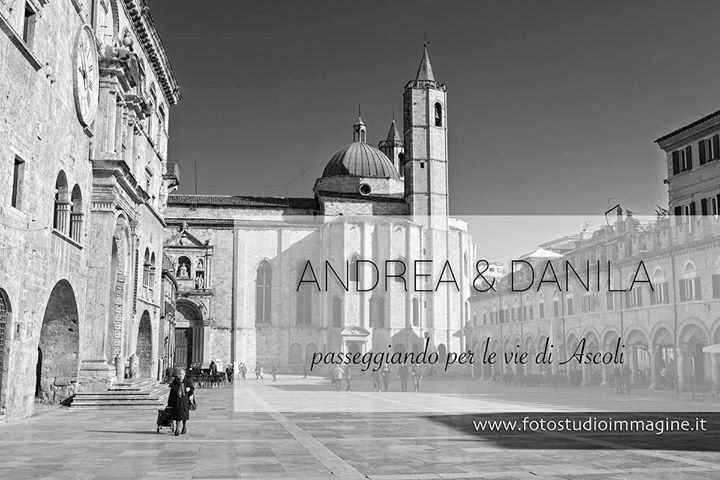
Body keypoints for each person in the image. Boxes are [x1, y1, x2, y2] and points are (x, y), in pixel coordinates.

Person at [167, 369, 195, 436]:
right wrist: (169, 403)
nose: (181, 376)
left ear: (184, 375)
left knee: (184, 415)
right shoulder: (175, 382)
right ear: (177, 375)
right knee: (177, 415)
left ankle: (184, 427)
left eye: (182, 374)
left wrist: (189, 390)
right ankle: (177, 429)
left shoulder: (188, 382)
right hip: (176, 401)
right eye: (179, 374)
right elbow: (171, 393)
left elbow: (192, 390)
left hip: (185, 401)